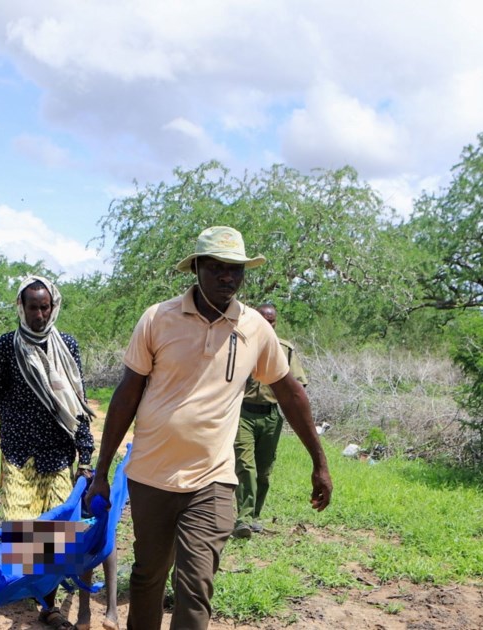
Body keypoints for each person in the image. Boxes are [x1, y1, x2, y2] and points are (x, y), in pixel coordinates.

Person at [85, 226, 332, 630]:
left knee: (196, 584)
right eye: (216, 268)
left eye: (235, 269)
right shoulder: (158, 319)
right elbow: (126, 396)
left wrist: (320, 463)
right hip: (151, 476)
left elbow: (291, 394)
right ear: (196, 268)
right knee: (148, 576)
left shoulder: (255, 328)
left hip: (213, 480)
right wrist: (101, 473)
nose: (227, 278)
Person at [0, 275, 117, 630]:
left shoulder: (66, 345)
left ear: (54, 307)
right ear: (21, 307)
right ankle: (39, 596)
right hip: (18, 453)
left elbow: (78, 403)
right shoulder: (7, 347)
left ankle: (47, 602)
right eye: (32, 307)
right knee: (24, 531)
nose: (38, 314)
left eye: (44, 307)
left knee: (57, 531)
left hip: (58, 454)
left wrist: (84, 456)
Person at [233, 304, 309, 539]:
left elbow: (298, 384)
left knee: (264, 471)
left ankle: (255, 515)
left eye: (272, 321)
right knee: (246, 466)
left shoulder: (284, 349)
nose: (267, 324)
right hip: (243, 413)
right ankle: (243, 519)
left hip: (270, 415)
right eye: (263, 319)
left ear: (276, 322)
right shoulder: (239, 344)